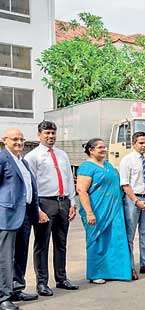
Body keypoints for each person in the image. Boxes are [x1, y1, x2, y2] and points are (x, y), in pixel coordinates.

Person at [25, 121, 79, 296]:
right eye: (47, 133)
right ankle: (41, 283)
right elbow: (30, 184)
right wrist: (36, 209)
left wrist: (72, 202)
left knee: (61, 242)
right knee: (42, 244)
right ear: (39, 135)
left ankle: (62, 278)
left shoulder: (62, 155)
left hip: (63, 202)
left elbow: (70, 179)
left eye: (53, 133)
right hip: (44, 203)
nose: (50, 136)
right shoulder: (32, 157)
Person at [76, 138, 132, 284]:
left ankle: (116, 272)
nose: (104, 149)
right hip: (97, 210)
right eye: (100, 147)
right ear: (91, 150)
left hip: (114, 210)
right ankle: (96, 273)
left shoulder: (108, 165)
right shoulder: (86, 167)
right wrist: (89, 212)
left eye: (104, 147)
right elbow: (81, 190)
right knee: (97, 241)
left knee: (116, 240)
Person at [0, 128, 40, 310]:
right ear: (4, 140)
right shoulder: (2, 158)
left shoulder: (22, 160)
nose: (19, 142)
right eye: (14, 139)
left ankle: (17, 288)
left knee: (20, 255)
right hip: (7, 216)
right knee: (5, 258)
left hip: (25, 215)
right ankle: (3, 297)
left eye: (22, 139)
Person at [119, 132, 145, 279]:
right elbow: (125, 184)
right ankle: (129, 268)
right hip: (133, 201)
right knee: (130, 236)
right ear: (134, 143)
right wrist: (136, 201)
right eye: (141, 143)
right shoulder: (127, 161)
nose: (144, 145)